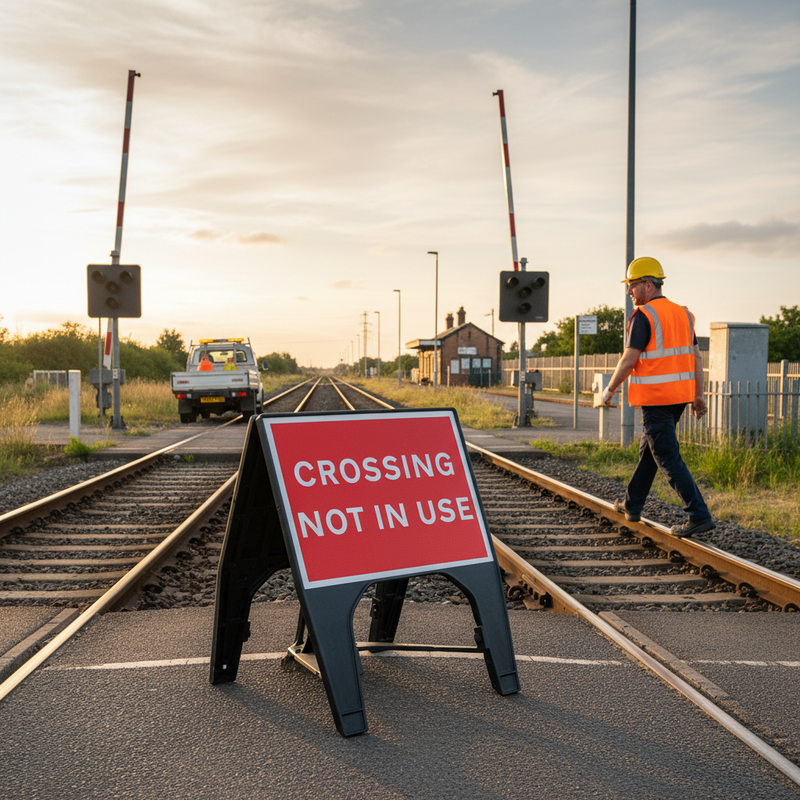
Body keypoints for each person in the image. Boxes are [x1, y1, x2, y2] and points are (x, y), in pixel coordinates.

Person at [600, 256, 715, 538]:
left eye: (632, 285)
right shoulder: (684, 314)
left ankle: (698, 515)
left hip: (657, 399)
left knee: (665, 455)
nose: (629, 291)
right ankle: (632, 503)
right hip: (677, 400)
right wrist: (697, 396)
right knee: (649, 453)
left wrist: (609, 389)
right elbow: (697, 357)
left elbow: (629, 359)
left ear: (648, 285)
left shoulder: (644, 316)